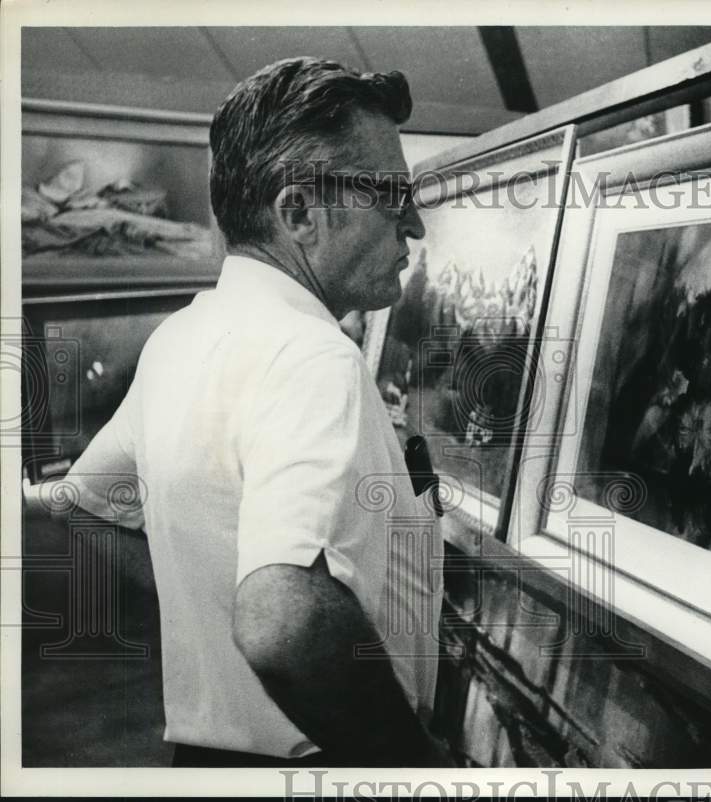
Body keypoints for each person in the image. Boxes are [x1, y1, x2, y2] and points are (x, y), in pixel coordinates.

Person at [39, 57, 450, 767]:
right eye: (392, 194)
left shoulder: (183, 336)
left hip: (206, 764)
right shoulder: (314, 357)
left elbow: (85, 501)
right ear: (298, 214)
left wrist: (214, 598)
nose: (413, 225)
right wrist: (413, 768)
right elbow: (281, 623)